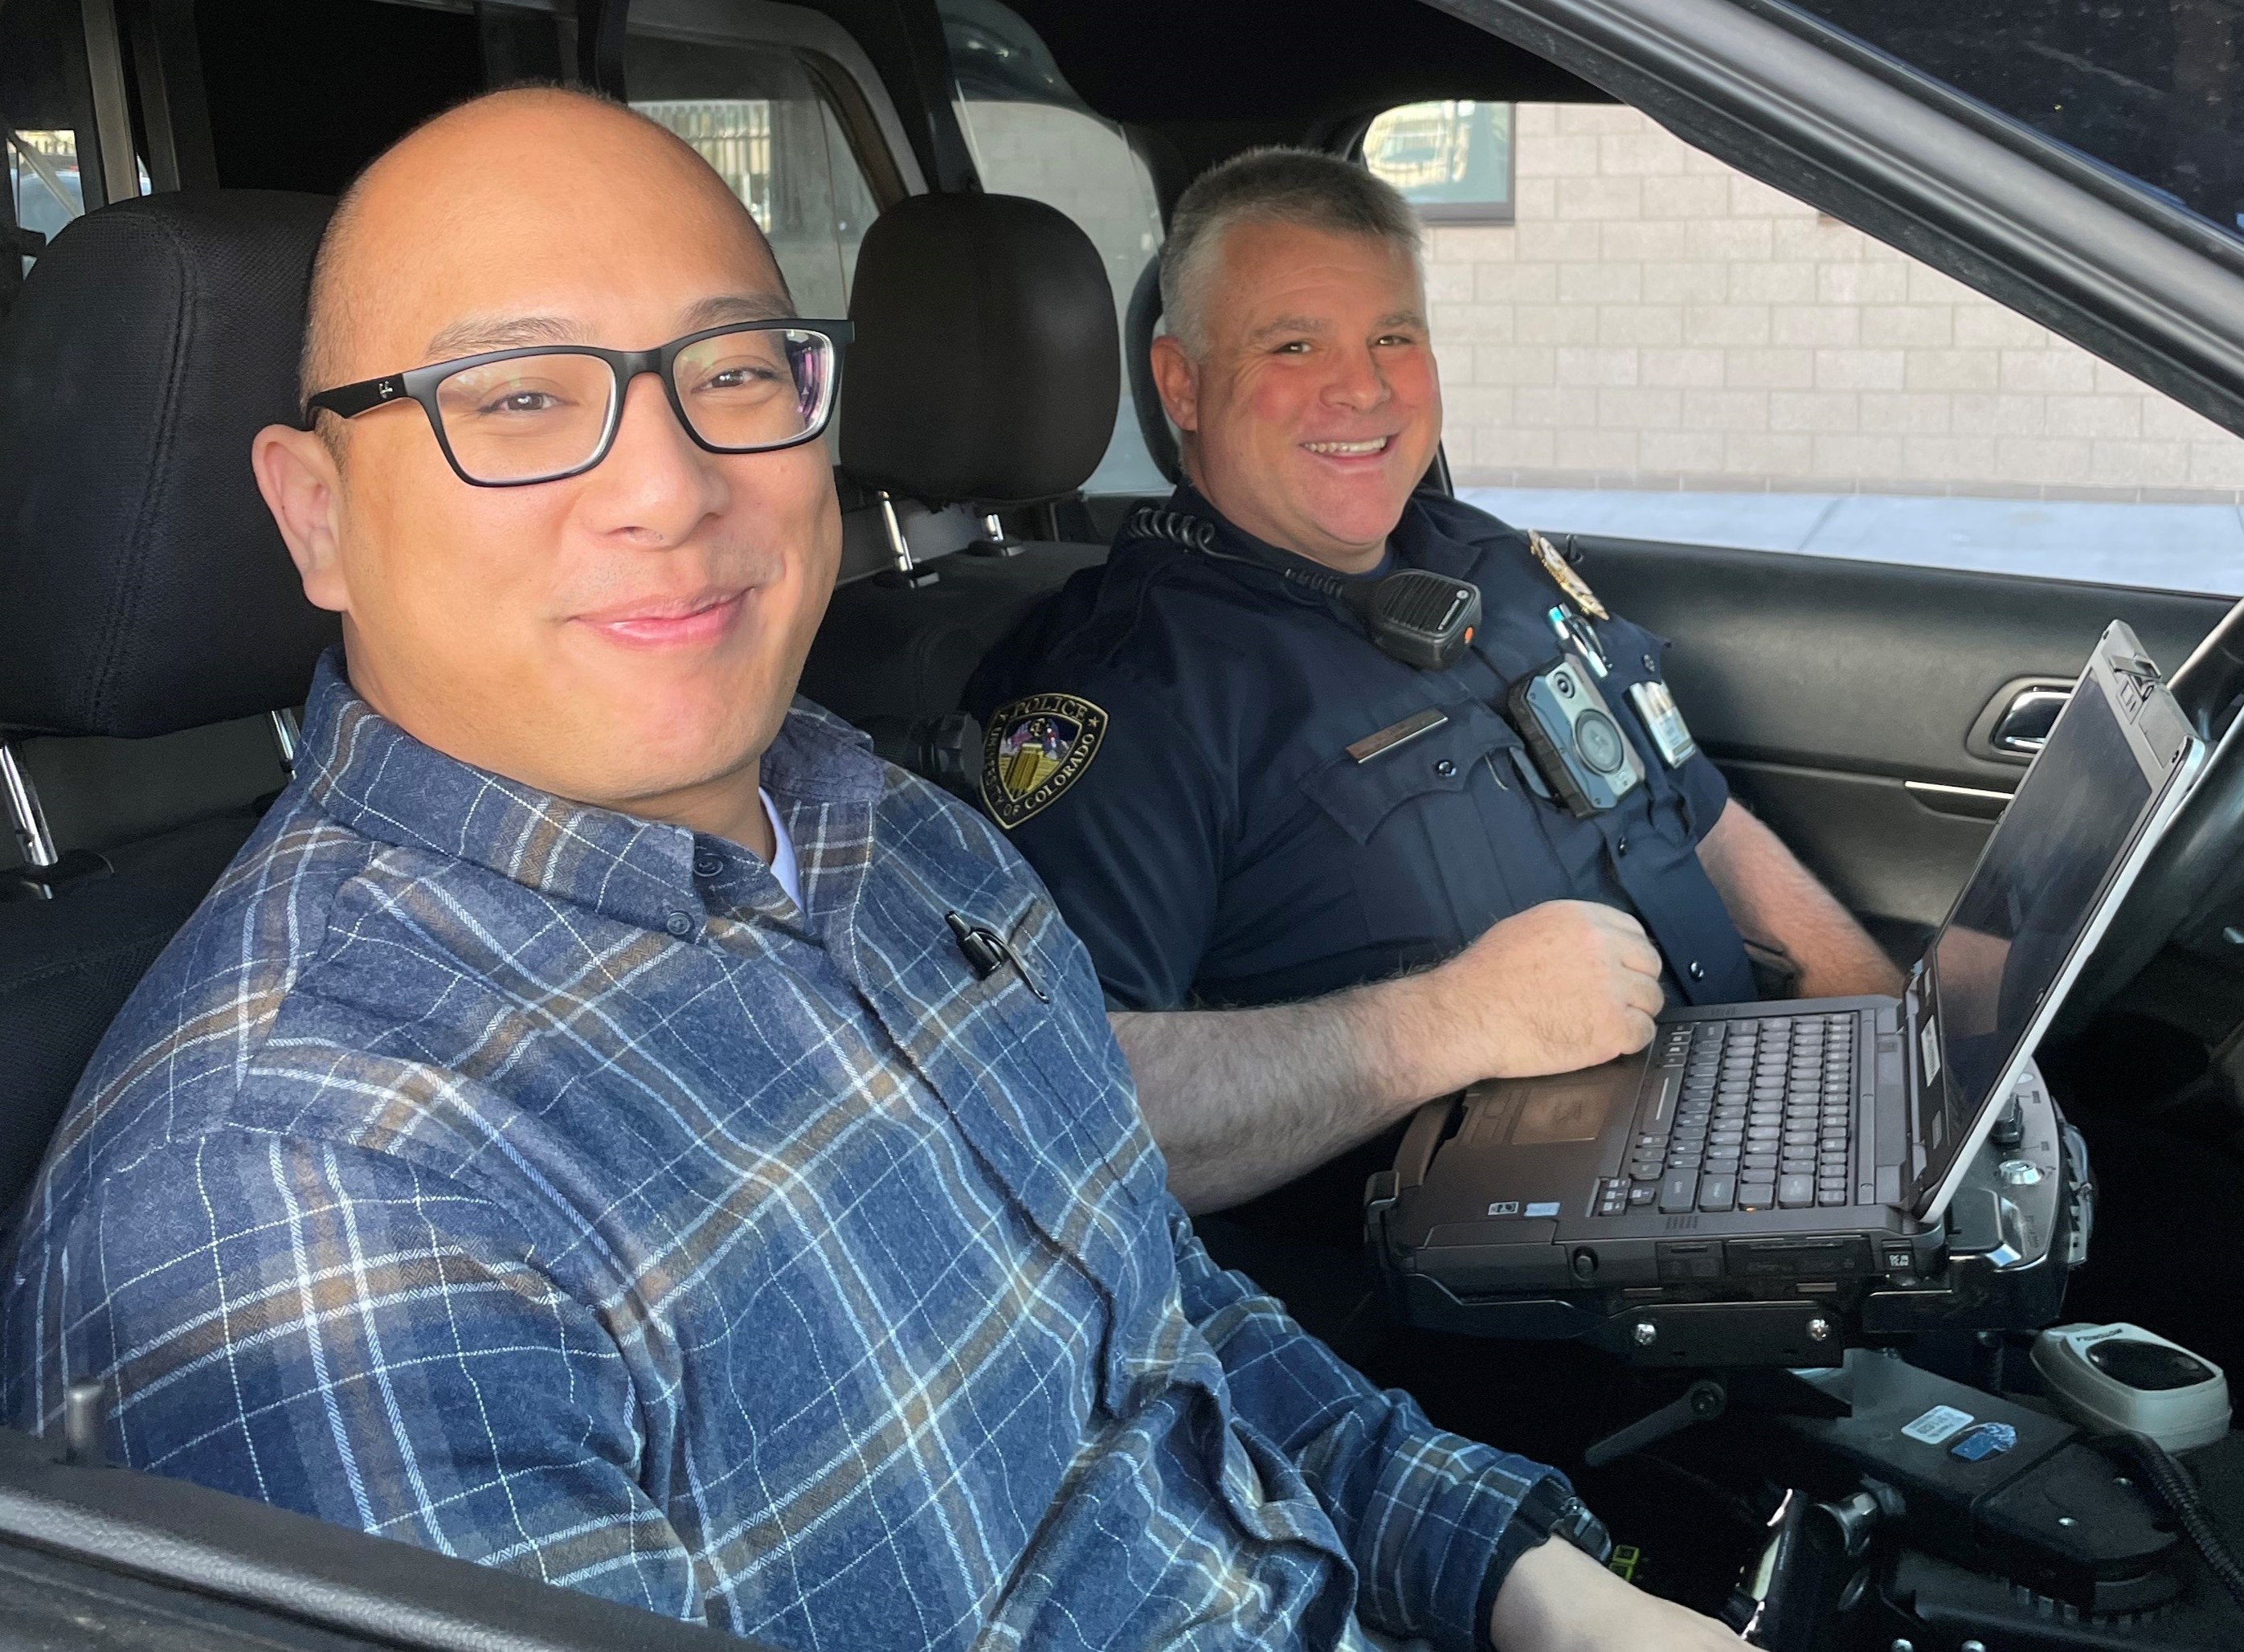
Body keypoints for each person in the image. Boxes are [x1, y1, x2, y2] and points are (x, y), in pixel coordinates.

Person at [0, 90, 1739, 1652]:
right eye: (517, 398)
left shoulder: (881, 822)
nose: (668, 484)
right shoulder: (305, 1203)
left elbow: (1160, 1321)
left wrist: (1542, 1586)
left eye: (734, 372)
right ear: (315, 515)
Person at [967, 149, 1901, 1251]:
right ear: (1180, 383)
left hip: (1745, 1158)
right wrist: (1446, 1024)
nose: (1361, 388)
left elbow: (1692, 817)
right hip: (1477, 1309)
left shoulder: (1486, 562)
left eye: (1392, 338)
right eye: (1294, 343)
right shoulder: (1127, 694)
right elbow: (1060, 1103)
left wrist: (1884, 1044)